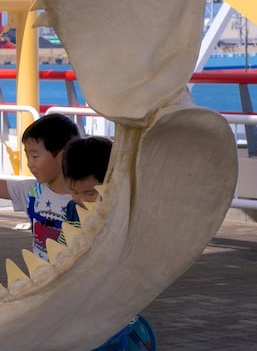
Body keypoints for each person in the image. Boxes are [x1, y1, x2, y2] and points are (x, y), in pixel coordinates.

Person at [60, 135, 158, 351]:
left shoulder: (121, 213)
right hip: (76, 302)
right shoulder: (71, 209)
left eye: (90, 193)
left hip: (111, 303)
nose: (81, 199)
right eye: (74, 191)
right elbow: (61, 249)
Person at [0, 113, 80, 260]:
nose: (30, 163)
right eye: (27, 156)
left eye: (35, 156)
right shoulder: (32, 191)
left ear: (63, 155)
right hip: (41, 277)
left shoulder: (85, 197)